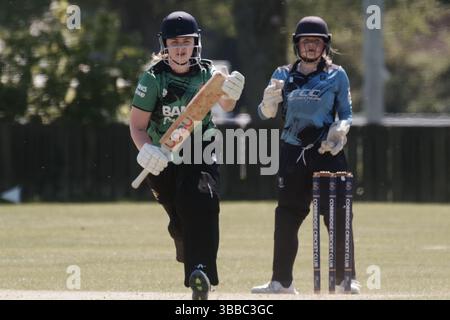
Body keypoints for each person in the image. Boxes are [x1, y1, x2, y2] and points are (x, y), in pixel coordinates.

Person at [129, 11, 245, 300]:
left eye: (186, 41)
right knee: (179, 216)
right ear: (164, 46)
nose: (180, 48)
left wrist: (232, 92)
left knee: (201, 203)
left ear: (196, 44)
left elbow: (228, 105)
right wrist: (146, 150)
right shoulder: (153, 78)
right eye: (174, 42)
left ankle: (201, 274)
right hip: (162, 157)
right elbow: (137, 126)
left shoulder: (208, 74)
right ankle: (182, 237)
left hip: (199, 152)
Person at [251, 16, 360, 294]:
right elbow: (264, 114)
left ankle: (345, 278)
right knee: (287, 215)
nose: (311, 46)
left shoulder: (338, 74)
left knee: (337, 215)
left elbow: (346, 114)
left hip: (327, 152)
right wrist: (267, 103)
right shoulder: (282, 74)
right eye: (305, 41)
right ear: (297, 45)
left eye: (317, 41)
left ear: (325, 45)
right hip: (292, 153)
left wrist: (340, 130)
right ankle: (281, 282)